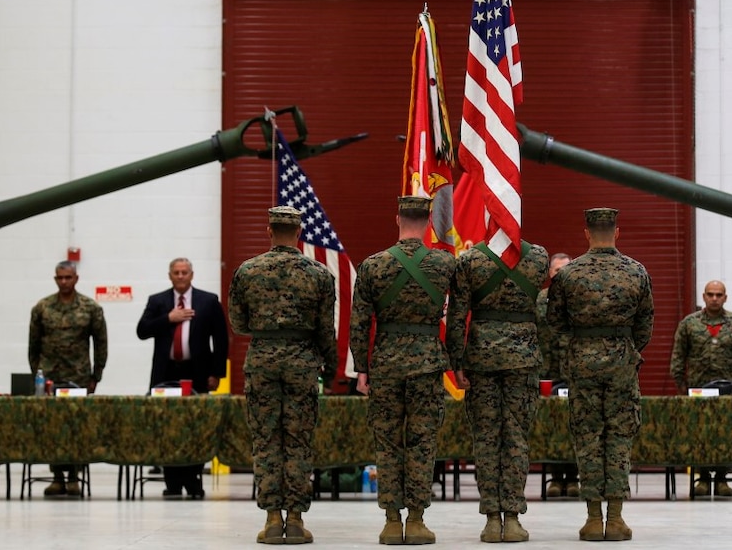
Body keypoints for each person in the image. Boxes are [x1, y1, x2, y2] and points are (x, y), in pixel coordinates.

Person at [349, 196, 456, 546]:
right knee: (422, 443)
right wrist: (454, 359)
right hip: (427, 363)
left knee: (388, 443)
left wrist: (362, 368)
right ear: (428, 222)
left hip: (386, 364)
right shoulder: (444, 264)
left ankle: (392, 521)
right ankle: (418, 519)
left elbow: (360, 323)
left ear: (397, 219)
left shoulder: (373, 266)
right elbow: (456, 318)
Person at [229, 206, 337, 545]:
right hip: (303, 363)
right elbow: (325, 330)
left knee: (266, 441)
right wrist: (330, 367)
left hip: (262, 360)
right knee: (298, 441)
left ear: (268, 230)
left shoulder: (247, 271)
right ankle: (295, 519)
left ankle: (272, 518)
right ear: (299, 231)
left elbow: (238, 322)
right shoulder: (319, 274)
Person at [547, 208, 654, 543]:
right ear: (617, 232)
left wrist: (579, 347)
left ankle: (593, 519)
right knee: (620, 437)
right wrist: (623, 347)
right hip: (622, 363)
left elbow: (555, 321)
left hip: (582, 364)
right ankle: (617, 518)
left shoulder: (568, 274)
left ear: (586, 233)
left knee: (588, 437)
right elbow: (645, 324)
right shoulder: (636, 271)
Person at [447, 230, 549, 542]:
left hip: (481, 359)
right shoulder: (539, 258)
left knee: (486, 439)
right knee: (516, 437)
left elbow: (456, 315)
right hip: (523, 359)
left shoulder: (470, 260)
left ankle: (492, 518)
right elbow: (544, 313)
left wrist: (456, 361)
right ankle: (513, 518)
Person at [136, 257, 229, 499]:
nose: (180, 276)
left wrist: (217, 373)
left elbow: (221, 340)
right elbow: (142, 330)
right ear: (170, 276)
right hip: (166, 373)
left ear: (191, 275)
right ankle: (173, 483)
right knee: (168, 427)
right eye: (176, 272)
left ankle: (193, 480)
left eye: (184, 272)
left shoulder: (208, 301)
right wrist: (168, 318)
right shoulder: (158, 301)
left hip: (197, 374)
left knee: (196, 427)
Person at [669, 280, 732, 497]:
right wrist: (681, 384)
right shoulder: (689, 324)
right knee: (699, 433)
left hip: (729, 391)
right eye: (711, 294)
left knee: (726, 434)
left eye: (719, 294)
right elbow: (678, 356)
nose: (715, 298)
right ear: (704, 296)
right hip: (698, 390)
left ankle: (721, 479)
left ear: (725, 297)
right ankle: (702, 478)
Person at [28, 260, 108, 497]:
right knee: (52, 428)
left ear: (76, 279)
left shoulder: (90, 307)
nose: (64, 282)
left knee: (76, 427)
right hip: (50, 377)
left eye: (68, 278)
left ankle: (74, 477)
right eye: (60, 278)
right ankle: (57, 477)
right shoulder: (42, 308)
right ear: (55, 279)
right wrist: (37, 376)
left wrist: (96, 375)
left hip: (79, 376)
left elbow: (100, 343)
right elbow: (33, 345)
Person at [534, 252, 578, 499]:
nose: (560, 274)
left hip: (573, 373)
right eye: (556, 270)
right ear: (549, 273)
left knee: (574, 425)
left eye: (565, 270)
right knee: (551, 426)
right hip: (546, 373)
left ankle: (573, 478)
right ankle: (554, 477)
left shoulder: (580, 300)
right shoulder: (538, 300)